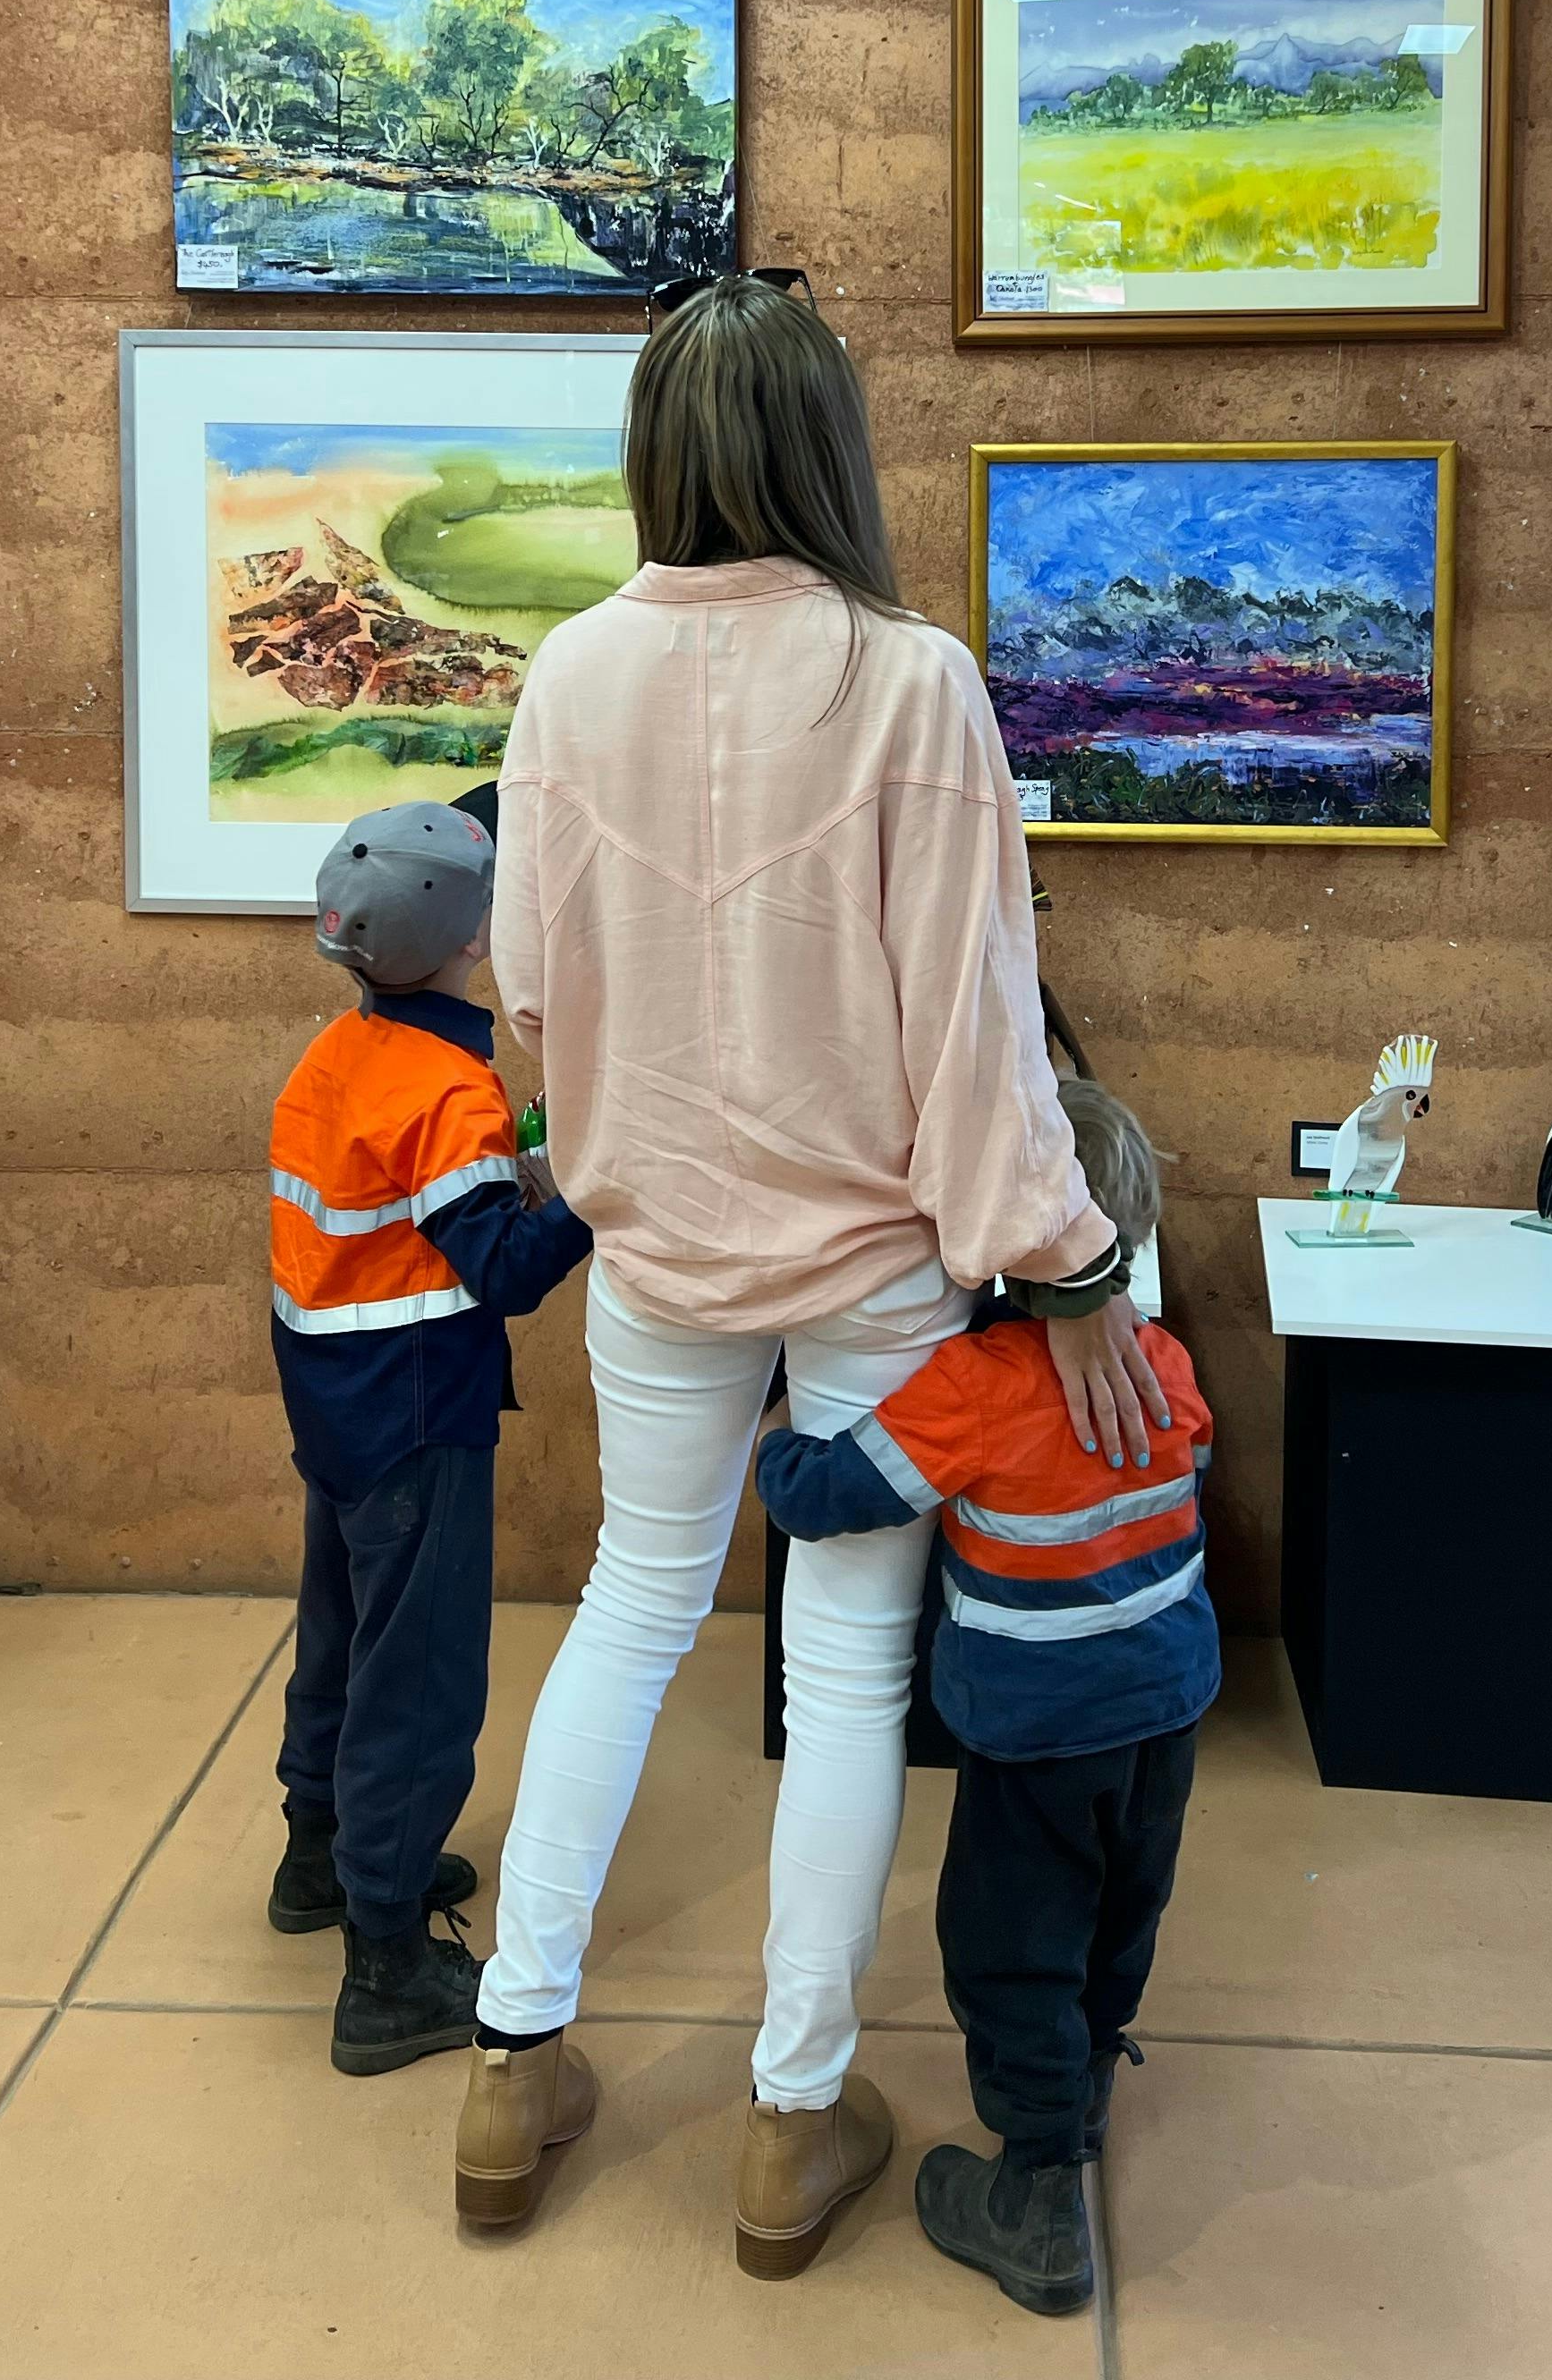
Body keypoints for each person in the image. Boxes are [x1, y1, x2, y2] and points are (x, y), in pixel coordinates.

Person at [452, 271, 1169, 2274]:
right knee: (844, 1668)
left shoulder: (569, 673)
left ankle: (513, 2063)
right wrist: (1069, 1260)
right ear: (831, 449)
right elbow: (977, 1020)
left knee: (629, 1610)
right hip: (875, 1266)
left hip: (655, 1243)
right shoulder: (907, 675)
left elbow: (524, 983)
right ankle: (790, 2118)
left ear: (651, 454)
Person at [756, 1072, 1215, 2319]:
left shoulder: (971, 1388)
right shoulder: (1164, 1361)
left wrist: (774, 1430)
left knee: (1010, 1943)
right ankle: (1087, 2079)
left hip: (1035, 1729)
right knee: (1124, 1905)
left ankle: (1034, 2186)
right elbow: (1193, 1461)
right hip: (1167, 1705)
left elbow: (827, 1497)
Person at [265, 790, 593, 2079]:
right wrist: (594, 1187)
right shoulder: (446, 1090)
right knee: (421, 1679)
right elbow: (502, 1269)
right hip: (416, 1410)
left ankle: (317, 1856)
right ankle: (387, 1965)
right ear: (476, 939)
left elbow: (406, 1206)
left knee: (342, 1628)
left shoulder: (336, 1057)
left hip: (334, 1400)